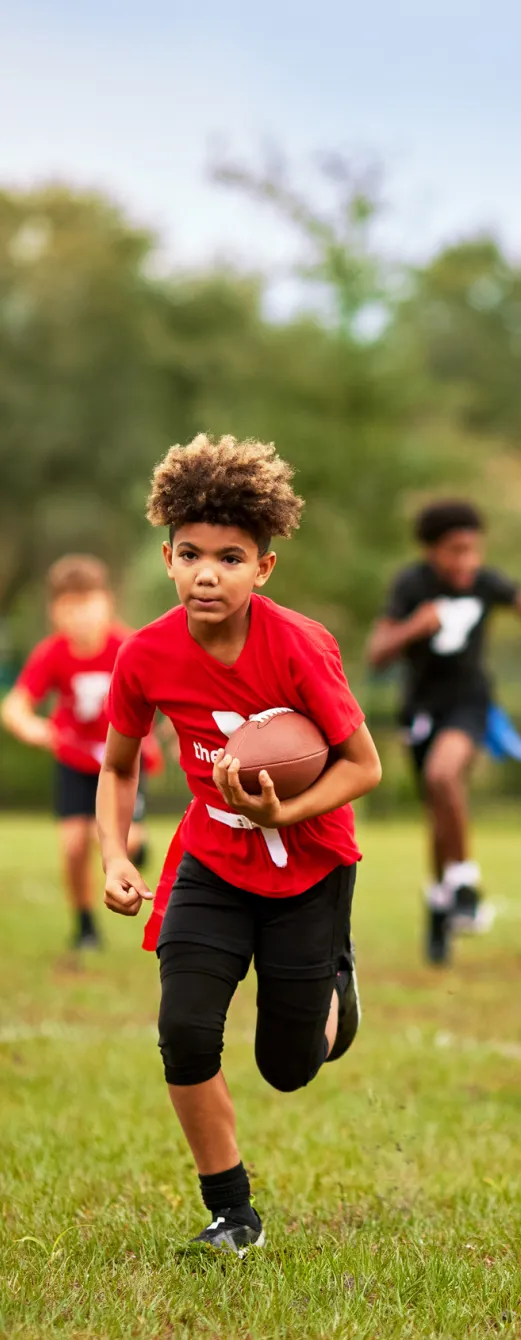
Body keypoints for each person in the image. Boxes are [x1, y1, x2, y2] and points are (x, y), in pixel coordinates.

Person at [96, 435, 381, 1255]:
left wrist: (283, 814)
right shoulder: (144, 653)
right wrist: (118, 856)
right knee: (184, 1030)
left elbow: (365, 766)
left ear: (265, 568)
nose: (207, 573)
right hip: (210, 863)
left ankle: (336, 982)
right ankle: (232, 1211)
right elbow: (117, 769)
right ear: (167, 557)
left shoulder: (299, 644)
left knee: (290, 1066)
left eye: (229, 556)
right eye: (190, 555)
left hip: (310, 864)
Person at [367, 499, 521, 965]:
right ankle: (442, 904)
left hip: (470, 704)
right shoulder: (411, 585)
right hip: (420, 711)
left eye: (474, 550)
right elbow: (377, 653)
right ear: (431, 551)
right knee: (439, 814)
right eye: (456, 551)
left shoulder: (487, 583)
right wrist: (415, 627)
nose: (467, 562)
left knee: (443, 777)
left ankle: (465, 884)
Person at [1, 555, 160, 950]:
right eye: (70, 607)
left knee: (120, 840)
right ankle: (86, 927)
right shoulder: (52, 653)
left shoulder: (129, 646)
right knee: (74, 845)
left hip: (122, 763)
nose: (81, 616)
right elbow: (15, 706)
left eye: (88, 604)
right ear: (55, 611)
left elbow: (164, 692)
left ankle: (138, 849)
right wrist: (32, 727)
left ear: (107, 602)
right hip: (73, 763)